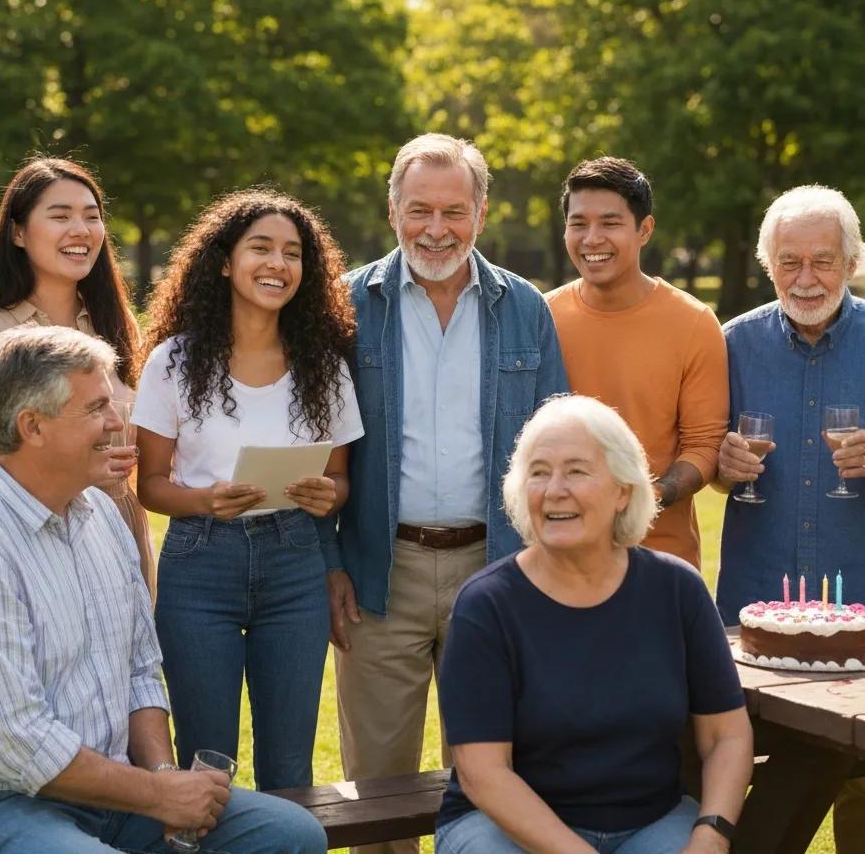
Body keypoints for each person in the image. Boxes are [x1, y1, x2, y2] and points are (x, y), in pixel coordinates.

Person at [0, 325, 326, 854]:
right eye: (97, 408)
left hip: (111, 797)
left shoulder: (101, 515)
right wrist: (157, 795)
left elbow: (140, 672)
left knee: (292, 835)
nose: (116, 422)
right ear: (32, 426)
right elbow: (20, 746)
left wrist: (164, 779)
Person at [326, 133, 568, 854]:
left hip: (497, 569)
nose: (437, 229)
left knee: (500, 777)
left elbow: (555, 449)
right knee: (378, 791)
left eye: (454, 211)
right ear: (392, 211)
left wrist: (550, 570)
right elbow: (315, 445)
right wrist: (329, 563)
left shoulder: (525, 308)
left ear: (481, 214)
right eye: (420, 210)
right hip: (378, 573)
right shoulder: (344, 305)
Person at [436, 394, 753, 854]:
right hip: (502, 826)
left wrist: (711, 833)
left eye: (576, 471)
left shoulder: (677, 589)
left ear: (623, 490)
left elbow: (727, 734)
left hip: (651, 821)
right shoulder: (486, 606)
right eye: (538, 473)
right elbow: (483, 773)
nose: (554, 489)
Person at [133, 189, 363, 791]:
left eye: (292, 253)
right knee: (205, 762)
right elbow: (150, 484)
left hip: (295, 564)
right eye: (260, 248)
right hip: (200, 561)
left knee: (289, 766)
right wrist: (205, 501)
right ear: (223, 262)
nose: (277, 264)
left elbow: (340, 478)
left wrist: (328, 495)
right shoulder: (172, 363)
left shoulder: (325, 366)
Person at [713, 184, 865, 853]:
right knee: (746, 761)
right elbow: (701, 452)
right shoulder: (731, 344)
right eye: (789, 262)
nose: (806, 278)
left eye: (823, 261)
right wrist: (721, 463)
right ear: (767, 264)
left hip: (861, 608)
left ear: (852, 263)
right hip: (754, 612)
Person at [0, 157, 155, 593]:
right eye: (60, 216)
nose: (81, 230)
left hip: (120, 533)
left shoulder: (116, 325)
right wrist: (72, 477)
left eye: (91, 216)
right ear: (18, 233)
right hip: (32, 543)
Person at [546, 157, 728, 568]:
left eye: (610, 223)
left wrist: (644, 498)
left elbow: (704, 447)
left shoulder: (694, 323)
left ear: (644, 229)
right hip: (558, 559)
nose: (592, 238)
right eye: (578, 224)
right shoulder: (542, 317)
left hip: (661, 561)